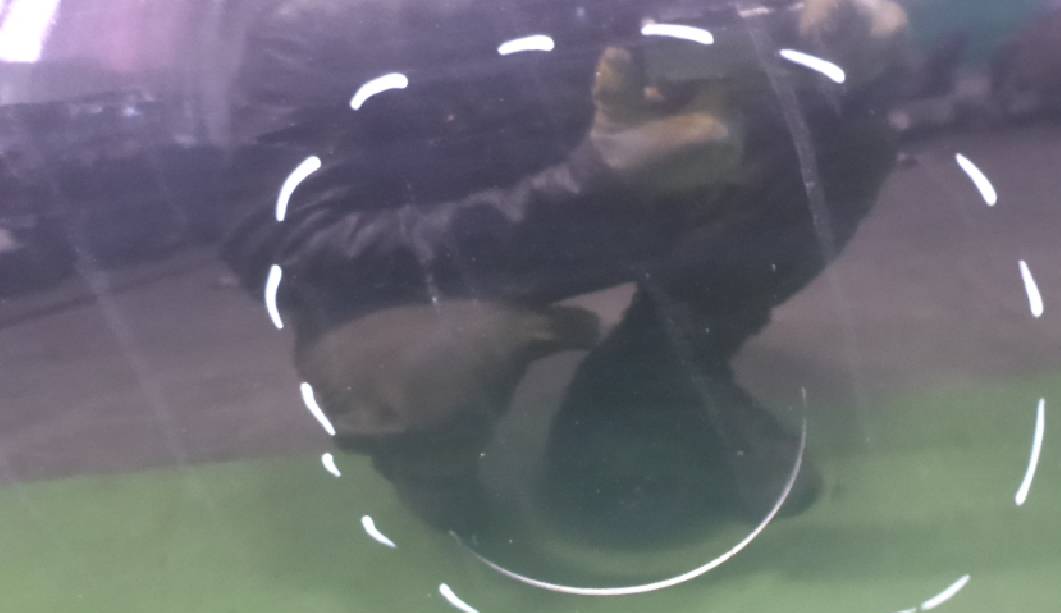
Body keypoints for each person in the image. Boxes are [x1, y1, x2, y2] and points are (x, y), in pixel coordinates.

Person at [221, 0, 906, 539]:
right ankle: (432, 461)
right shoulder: (316, 24)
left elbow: (708, 30)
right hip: (421, 274)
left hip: (600, 202)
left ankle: (657, 376)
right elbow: (281, 250)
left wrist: (827, 38)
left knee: (842, 132)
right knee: (424, 376)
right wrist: (584, 185)